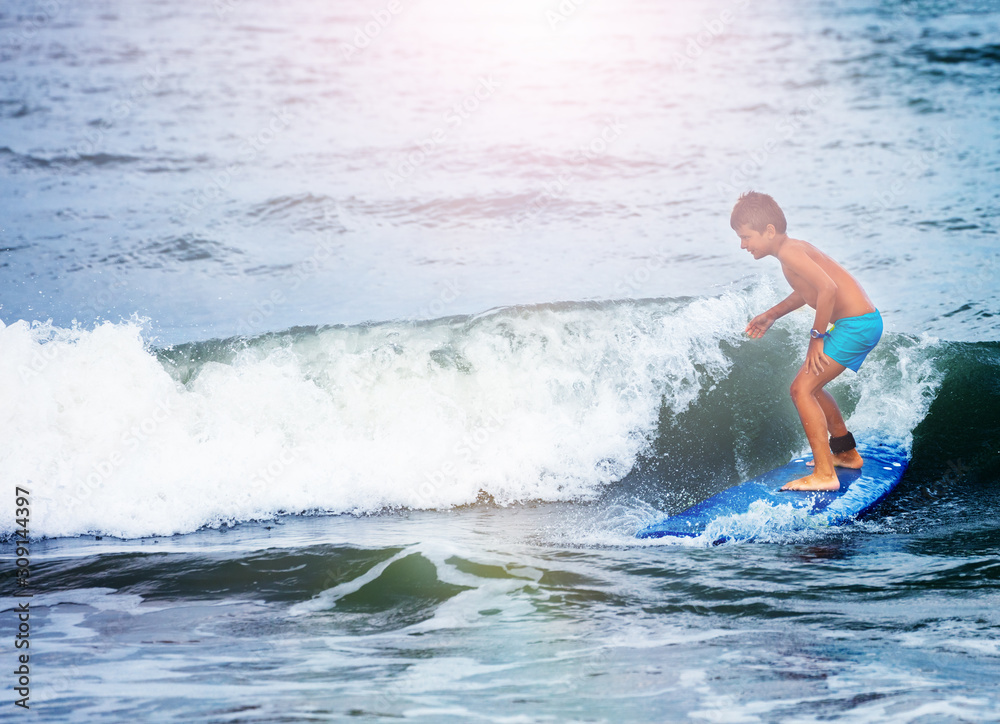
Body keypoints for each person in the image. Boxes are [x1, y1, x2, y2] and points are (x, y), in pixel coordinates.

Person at [733, 191, 882, 491]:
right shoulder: (792, 251)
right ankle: (846, 454)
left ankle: (825, 475)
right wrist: (772, 314)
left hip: (855, 325)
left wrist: (817, 338)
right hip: (861, 323)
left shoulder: (790, 253)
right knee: (810, 388)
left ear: (769, 231)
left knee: (801, 389)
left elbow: (827, 289)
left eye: (747, 237)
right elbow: (808, 290)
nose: (743, 245)